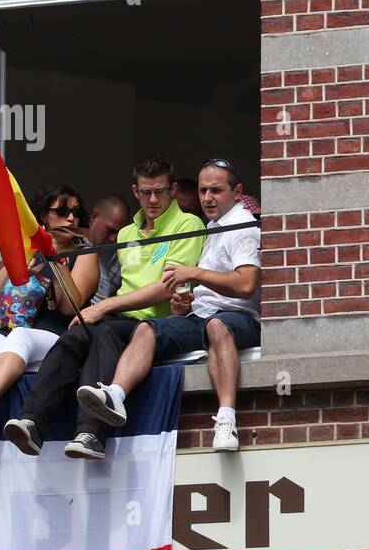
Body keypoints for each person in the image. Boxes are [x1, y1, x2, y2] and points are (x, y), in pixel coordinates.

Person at [3, 155, 207, 458]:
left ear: (173, 190)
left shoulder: (189, 224)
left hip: (158, 324)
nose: (153, 199)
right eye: (146, 192)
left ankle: (90, 434)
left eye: (160, 192)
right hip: (123, 317)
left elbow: (168, 288)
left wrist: (103, 306)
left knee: (105, 332)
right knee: (73, 336)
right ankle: (31, 421)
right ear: (134, 191)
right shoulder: (126, 233)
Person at [75, 158, 261, 451]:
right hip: (200, 316)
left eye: (216, 190)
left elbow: (246, 284)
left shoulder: (242, 226)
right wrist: (183, 303)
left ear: (237, 193)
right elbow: (201, 286)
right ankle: (115, 395)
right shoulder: (214, 225)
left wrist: (194, 273)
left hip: (238, 317)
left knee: (216, 325)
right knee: (147, 328)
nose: (207, 198)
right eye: (203, 191)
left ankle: (226, 420)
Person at [0, 184, 100, 426]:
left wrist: (56, 260)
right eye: (62, 211)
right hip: (11, 335)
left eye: (76, 212)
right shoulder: (27, 249)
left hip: (55, 337)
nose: (71, 217)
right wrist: (18, 260)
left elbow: (70, 307)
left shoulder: (85, 254)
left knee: (20, 336)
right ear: (44, 216)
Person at [86, 193, 131, 305]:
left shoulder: (118, 254)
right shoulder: (74, 247)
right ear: (93, 217)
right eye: (110, 230)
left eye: (119, 233)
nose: (113, 239)